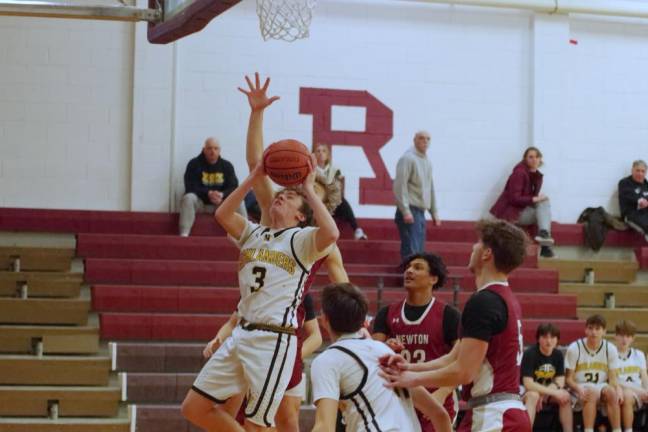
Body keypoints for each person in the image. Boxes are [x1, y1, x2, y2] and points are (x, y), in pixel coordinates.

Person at [180, 151, 339, 430]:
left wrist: (308, 189)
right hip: (242, 333)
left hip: (273, 339)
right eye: (281, 194)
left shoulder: (303, 241)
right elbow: (222, 214)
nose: (281, 197)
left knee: (259, 424)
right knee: (194, 407)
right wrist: (253, 177)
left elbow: (332, 233)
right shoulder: (254, 233)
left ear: (301, 215)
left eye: (290, 198)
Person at [378, 219, 532, 432]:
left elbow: (464, 372)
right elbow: (453, 358)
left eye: (478, 243)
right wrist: (408, 367)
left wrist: (411, 379)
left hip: (496, 417)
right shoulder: (503, 298)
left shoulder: (484, 301)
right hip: (499, 412)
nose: (473, 247)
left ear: (487, 253)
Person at [310, 282, 452, 432]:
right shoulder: (384, 351)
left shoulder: (327, 360)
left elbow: (324, 427)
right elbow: (440, 415)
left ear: (324, 319)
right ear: (362, 320)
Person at [372, 252, 460, 430]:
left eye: (417, 268)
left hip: (435, 398)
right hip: (398, 399)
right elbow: (372, 354)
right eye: (408, 267)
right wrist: (384, 347)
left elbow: (461, 362)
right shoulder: (387, 313)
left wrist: (442, 394)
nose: (409, 271)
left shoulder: (449, 315)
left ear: (433, 279)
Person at [490, 146, 555, 258]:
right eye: (530, 157)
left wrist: (537, 199)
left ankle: (544, 237)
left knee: (544, 205)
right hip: (512, 214)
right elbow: (513, 198)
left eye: (537, 157)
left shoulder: (535, 175)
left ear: (540, 159)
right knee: (544, 209)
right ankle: (545, 246)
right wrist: (535, 199)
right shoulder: (519, 173)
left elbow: (531, 198)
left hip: (521, 211)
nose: (534, 159)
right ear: (525, 159)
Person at [564, 314, 622, 432]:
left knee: (612, 393)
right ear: (585, 330)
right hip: (579, 387)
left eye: (597, 329)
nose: (593, 332)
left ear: (604, 331)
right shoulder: (574, 348)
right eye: (590, 328)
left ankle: (617, 430)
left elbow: (612, 379)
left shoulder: (610, 349)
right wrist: (579, 389)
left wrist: (617, 388)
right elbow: (568, 379)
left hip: (601, 386)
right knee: (590, 392)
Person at [179, 137, 246, 236]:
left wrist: (222, 194)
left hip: (221, 204)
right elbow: (190, 186)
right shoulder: (194, 164)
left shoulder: (227, 166)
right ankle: (184, 234)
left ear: (219, 150)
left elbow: (234, 187)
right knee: (188, 198)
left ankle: (246, 235)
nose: (212, 151)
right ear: (204, 149)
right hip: (201, 203)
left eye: (215, 148)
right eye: (209, 148)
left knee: (239, 201)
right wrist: (208, 193)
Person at [393, 131, 441, 260]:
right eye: (421, 138)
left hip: (420, 212)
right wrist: (405, 210)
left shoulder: (427, 161)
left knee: (418, 252)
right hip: (410, 210)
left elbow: (430, 188)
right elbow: (400, 185)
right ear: (414, 140)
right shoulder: (407, 159)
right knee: (411, 251)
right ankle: (407, 278)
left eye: (428, 139)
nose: (425, 141)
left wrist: (434, 212)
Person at [520, 323, 572, 432]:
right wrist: (548, 393)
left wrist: (545, 394)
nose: (549, 341)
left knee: (565, 397)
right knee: (533, 396)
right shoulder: (530, 353)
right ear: (538, 339)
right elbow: (528, 383)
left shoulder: (557, 354)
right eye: (545, 337)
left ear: (557, 339)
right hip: (526, 392)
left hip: (546, 392)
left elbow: (560, 381)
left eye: (552, 337)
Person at [314, 143, 368, 240]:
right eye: (318, 151)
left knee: (341, 200)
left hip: (331, 202)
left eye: (323, 151)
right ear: (313, 154)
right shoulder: (311, 170)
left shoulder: (333, 170)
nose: (321, 153)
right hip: (317, 201)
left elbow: (337, 189)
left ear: (327, 155)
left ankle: (357, 230)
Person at [613, 319, 648, 432]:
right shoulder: (611, 355)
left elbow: (644, 376)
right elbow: (613, 381)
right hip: (621, 391)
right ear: (615, 336)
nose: (624, 339)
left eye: (628, 336)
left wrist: (647, 391)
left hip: (639, 392)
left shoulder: (639, 354)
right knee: (627, 395)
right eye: (622, 335)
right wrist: (638, 391)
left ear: (633, 338)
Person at [618, 159, 648, 241]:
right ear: (632, 170)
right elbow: (628, 195)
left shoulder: (646, 185)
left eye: (643, 171)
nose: (640, 173)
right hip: (631, 215)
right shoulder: (624, 183)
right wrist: (640, 201)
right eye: (637, 170)